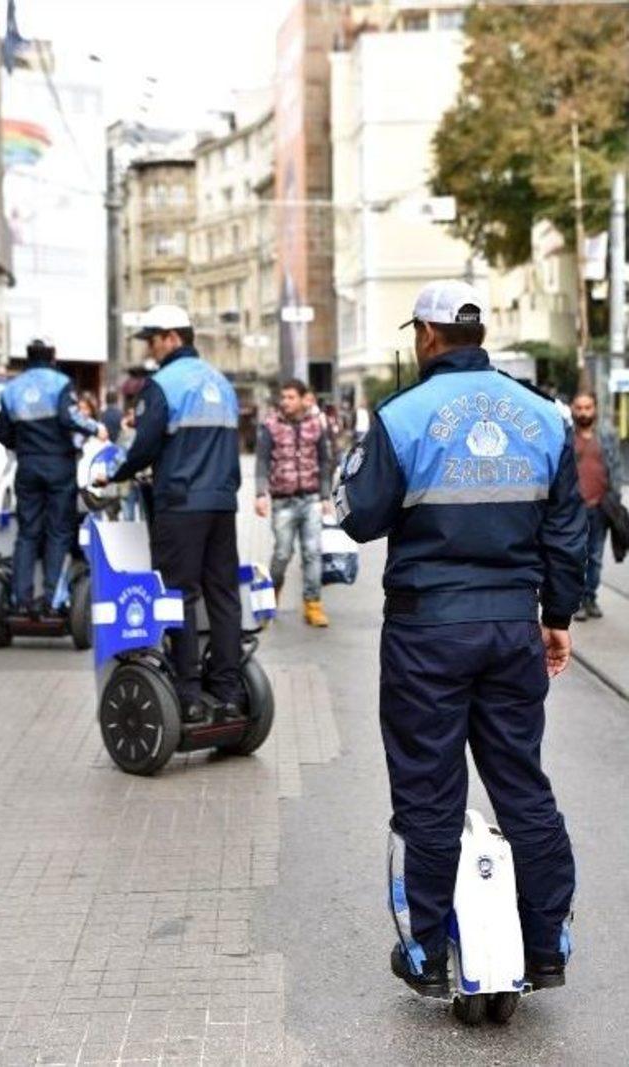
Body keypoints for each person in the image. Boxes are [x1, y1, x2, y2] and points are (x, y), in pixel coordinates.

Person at [334, 280, 586, 996]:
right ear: (478, 333)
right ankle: (546, 949)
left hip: (426, 632)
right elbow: (568, 533)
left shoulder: (402, 416)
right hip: (512, 627)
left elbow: (358, 516)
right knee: (522, 786)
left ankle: (426, 956)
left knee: (428, 791)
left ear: (426, 335)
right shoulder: (544, 418)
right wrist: (557, 618)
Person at [103, 304, 243, 723]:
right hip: (222, 503)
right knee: (223, 595)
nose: (150, 348)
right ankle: (230, 689)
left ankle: (189, 692)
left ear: (172, 337)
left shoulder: (162, 385)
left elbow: (144, 446)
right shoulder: (222, 383)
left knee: (177, 594)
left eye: (153, 339)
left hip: (180, 505)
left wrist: (114, 474)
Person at [0, 338, 108, 614]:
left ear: (28, 357)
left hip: (28, 467)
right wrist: (96, 428)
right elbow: (70, 418)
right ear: (52, 357)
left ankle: (21, 601)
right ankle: (51, 600)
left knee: (28, 533)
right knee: (58, 531)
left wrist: (23, 447)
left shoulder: (12, 390)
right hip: (59, 466)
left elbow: (2, 432)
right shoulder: (59, 383)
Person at [255, 378, 332, 626]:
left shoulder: (316, 424)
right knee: (282, 553)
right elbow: (262, 462)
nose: (285, 401)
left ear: (302, 398)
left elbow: (325, 461)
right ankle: (270, 599)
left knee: (312, 553)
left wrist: (325, 495)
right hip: (282, 502)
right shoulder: (270, 425)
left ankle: (313, 605)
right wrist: (259, 494)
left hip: (310, 500)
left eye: (290, 397)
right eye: (283, 397)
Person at [571, 391, 622, 620]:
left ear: (596, 409)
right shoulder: (565, 436)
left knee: (596, 556)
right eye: (579, 408)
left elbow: (617, 468)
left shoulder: (607, 434)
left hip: (600, 507)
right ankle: (578, 601)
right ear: (572, 408)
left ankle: (590, 597)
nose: (583, 412)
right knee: (575, 557)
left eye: (588, 407)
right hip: (573, 509)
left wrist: (615, 498)